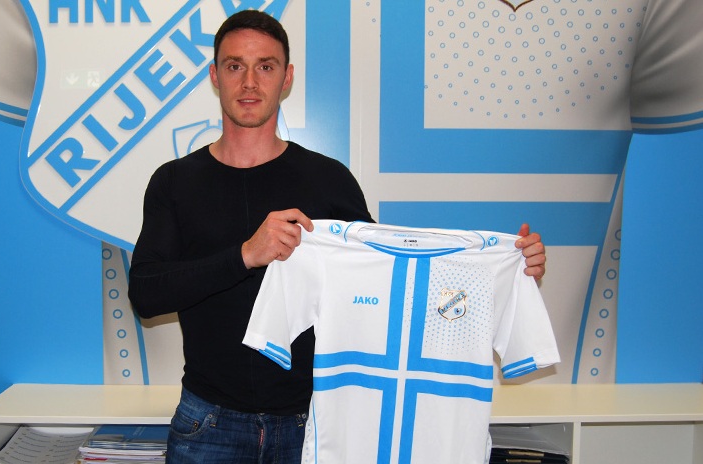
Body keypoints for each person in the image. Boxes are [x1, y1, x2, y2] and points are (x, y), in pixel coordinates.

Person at [128, 9, 546, 464]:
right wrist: (245, 255)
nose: (249, 82)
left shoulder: (327, 179)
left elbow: (392, 282)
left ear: (286, 78)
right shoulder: (175, 181)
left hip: (313, 425)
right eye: (234, 66)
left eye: (265, 66)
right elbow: (146, 295)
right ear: (215, 76)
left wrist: (506, 272)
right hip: (208, 422)